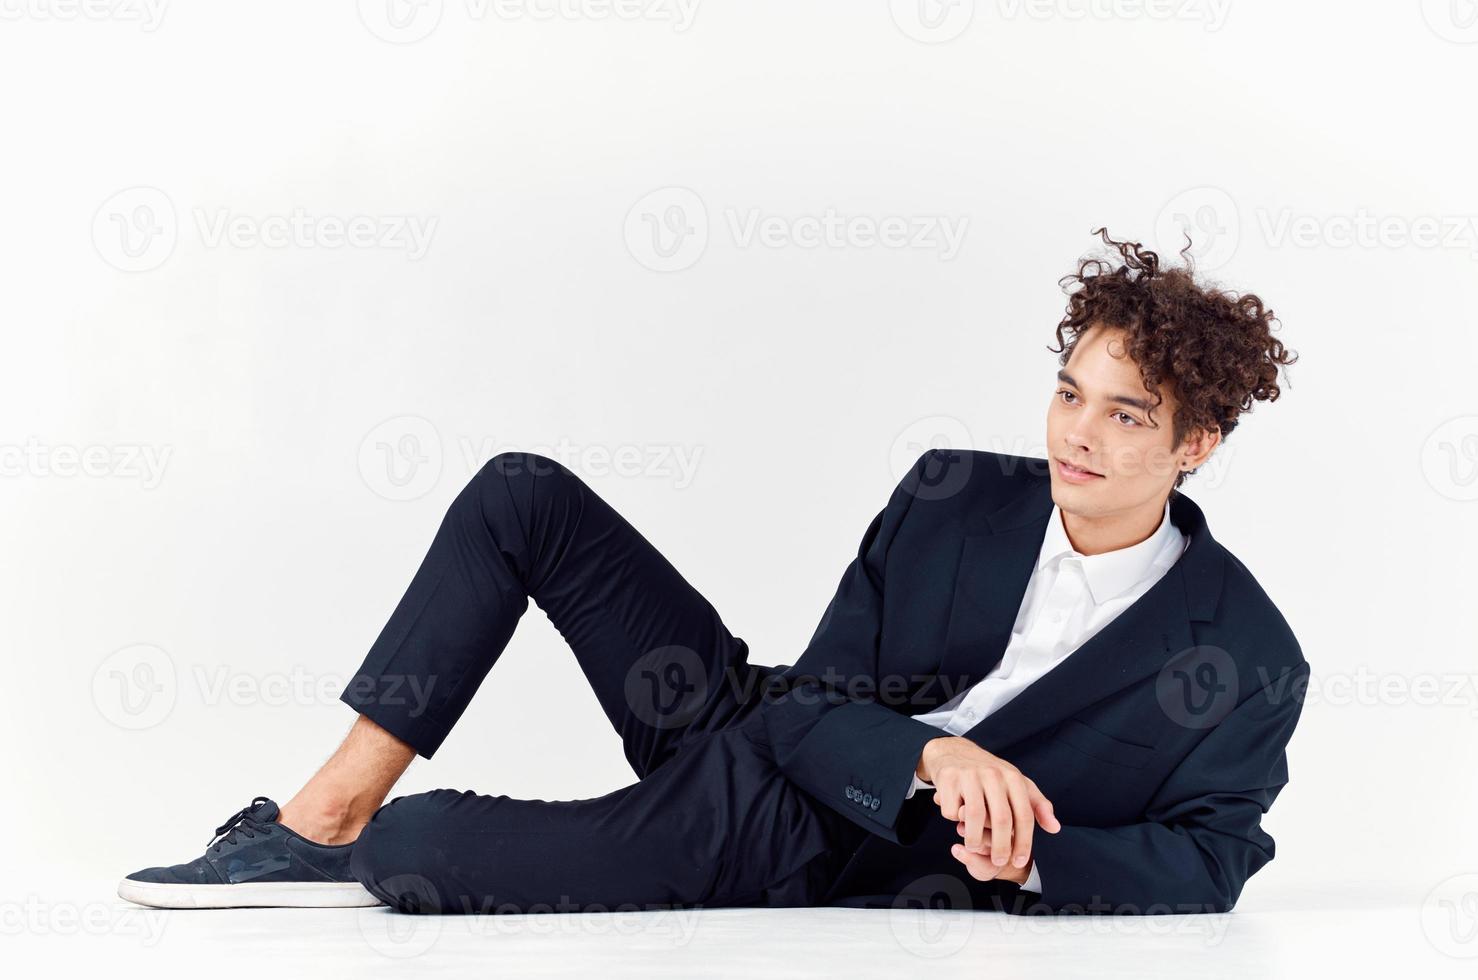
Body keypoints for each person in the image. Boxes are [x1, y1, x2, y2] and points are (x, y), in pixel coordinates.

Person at [118, 229, 1307, 915]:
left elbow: (1212, 856)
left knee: (415, 850)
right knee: (518, 492)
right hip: (768, 722)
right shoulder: (957, 491)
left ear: (1193, 444)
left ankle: (361, 839)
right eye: (1065, 392)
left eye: (1122, 415)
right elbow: (820, 698)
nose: (1074, 436)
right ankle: (316, 815)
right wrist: (926, 750)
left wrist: (1033, 852)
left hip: (793, 838)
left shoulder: (1244, 653)